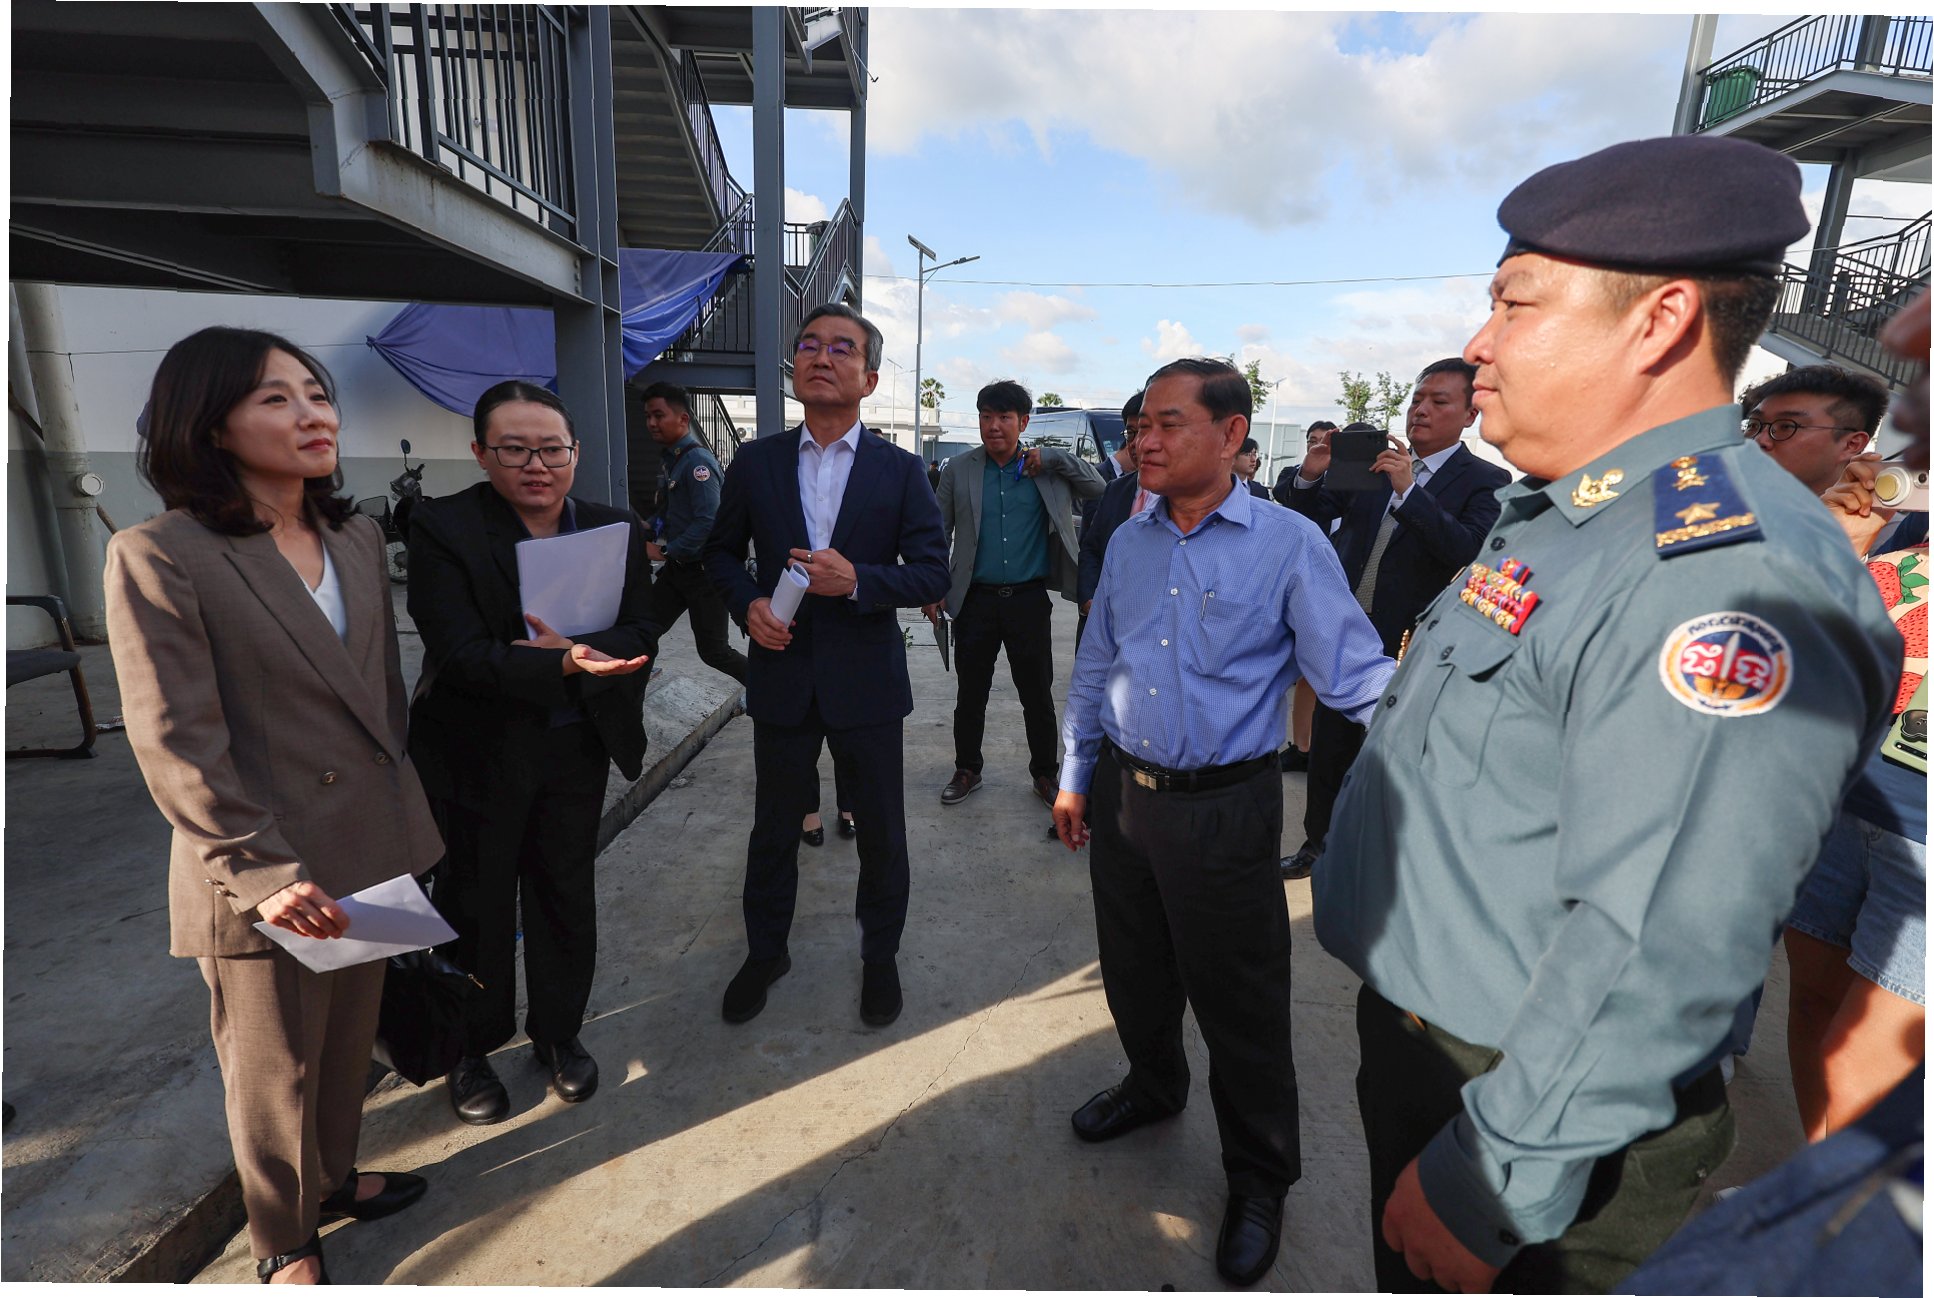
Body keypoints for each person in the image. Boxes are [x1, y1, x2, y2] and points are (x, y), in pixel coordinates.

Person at [1312, 135, 1900, 1294]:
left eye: (1513, 302)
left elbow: (1660, 937)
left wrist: (1494, 1177)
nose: (1477, 343)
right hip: (1439, 1046)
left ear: (1659, 320)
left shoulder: (1723, 574)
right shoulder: (1573, 515)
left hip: (1540, 1114)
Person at [105, 327, 442, 1283]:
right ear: (210, 425)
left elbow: (379, 698)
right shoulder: (161, 553)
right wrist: (259, 870)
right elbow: (175, 736)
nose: (313, 414)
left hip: (367, 839)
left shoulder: (355, 536)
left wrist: (400, 822)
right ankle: (283, 1237)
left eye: (318, 394)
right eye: (276, 398)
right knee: (275, 1069)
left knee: (347, 1046)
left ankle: (332, 1178)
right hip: (268, 862)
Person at [1052, 357, 1393, 1287]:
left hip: (1224, 810)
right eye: (1140, 427)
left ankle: (1259, 1178)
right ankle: (1154, 1086)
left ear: (1233, 434)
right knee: (1135, 972)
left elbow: (1355, 675)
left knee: (1241, 1006)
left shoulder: (1287, 544)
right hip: (1125, 794)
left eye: (1169, 424)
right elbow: (1097, 664)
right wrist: (1075, 775)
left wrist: (1455, 732)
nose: (1145, 442)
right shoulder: (1130, 539)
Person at [408, 381, 657, 1126]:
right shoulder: (444, 526)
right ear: (481, 453)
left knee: (563, 894)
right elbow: (456, 651)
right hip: (474, 751)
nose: (536, 465)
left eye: (551, 449)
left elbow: (641, 629)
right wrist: (562, 664)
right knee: (475, 902)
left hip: (574, 746)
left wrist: (578, 653)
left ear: (574, 452)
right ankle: (470, 1047)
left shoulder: (613, 527)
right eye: (514, 449)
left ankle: (558, 1032)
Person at [702, 303, 949, 1028]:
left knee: (881, 832)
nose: (821, 356)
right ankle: (765, 952)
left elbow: (933, 572)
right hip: (781, 673)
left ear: (868, 379)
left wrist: (860, 581)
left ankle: (880, 957)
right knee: (773, 828)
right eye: (809, 344)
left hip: (866, 681)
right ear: (794, 367)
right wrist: (748, 603)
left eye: (842, 348)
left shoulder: (900, 471)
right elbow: (719, 553)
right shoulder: (756, 462)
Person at [1280, 360, 1509, 879]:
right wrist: (1312, 474)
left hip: (1412, 640)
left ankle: (1386, 866)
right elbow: (1308, 517)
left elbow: (1467, 550)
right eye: (1416, 400)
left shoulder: (1486, 480)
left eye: (1438, 402)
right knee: (1330, 748)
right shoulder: (1374, 466)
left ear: (1469, 415)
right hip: (1346, 632)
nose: (1420, 411)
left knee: (1393, 756)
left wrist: (1410, 492)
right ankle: (1319, 847)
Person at [1780, 457, 1926, 1142]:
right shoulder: (1909, 517)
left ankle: (1835, 1202)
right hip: (1844, 798)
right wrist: (1842, 547)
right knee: (1813, 1010)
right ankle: (1810, 1188)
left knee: (1863, 1066)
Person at [926, 379, 1103, 808]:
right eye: (986, 417)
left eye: (1004, 417)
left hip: (1028, 600)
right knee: (971, 693)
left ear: (1023, 422)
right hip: (975, 599)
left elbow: (1099, 487)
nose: (993, 426)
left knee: (1037, 694)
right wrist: (932, 586)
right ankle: (967, 769)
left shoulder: (1046, 470)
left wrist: (1055, 457)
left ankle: (1045, 774)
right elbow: (937, 531)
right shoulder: (959, 470)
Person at [639, 380, 748, 686]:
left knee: (714, 651)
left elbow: (707, 521)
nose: (651, 423)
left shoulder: (697, 463)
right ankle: (629, 695)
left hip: (704, 576)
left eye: (659, 415)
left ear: (683, 419)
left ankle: (772, 691)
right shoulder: (673, 459)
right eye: (647, 416)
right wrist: (647, 527)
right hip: (678, 571)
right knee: (643, 630)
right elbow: (671, 511)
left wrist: (664, 551)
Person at [1741, 363, 1887, 497]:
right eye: (1753, 425)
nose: (1759, 440)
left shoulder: (1875, 517)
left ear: (1851, 445)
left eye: (1786, 427)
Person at [1076, 392, 1145, 648]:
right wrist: (1088, 599)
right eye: (1131, 433)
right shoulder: (1115, 490)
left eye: (1145, 431)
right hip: (1104, 629)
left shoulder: (1183, 501)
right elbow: (1091, 548)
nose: (1136, 443)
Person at [1272, 421, 1338, 504]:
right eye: (1313, 441)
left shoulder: (1343, 477)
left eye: (1324, 441)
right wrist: (1307, 476)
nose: (1318, 446)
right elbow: (1280, 494)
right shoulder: (1290, 472)